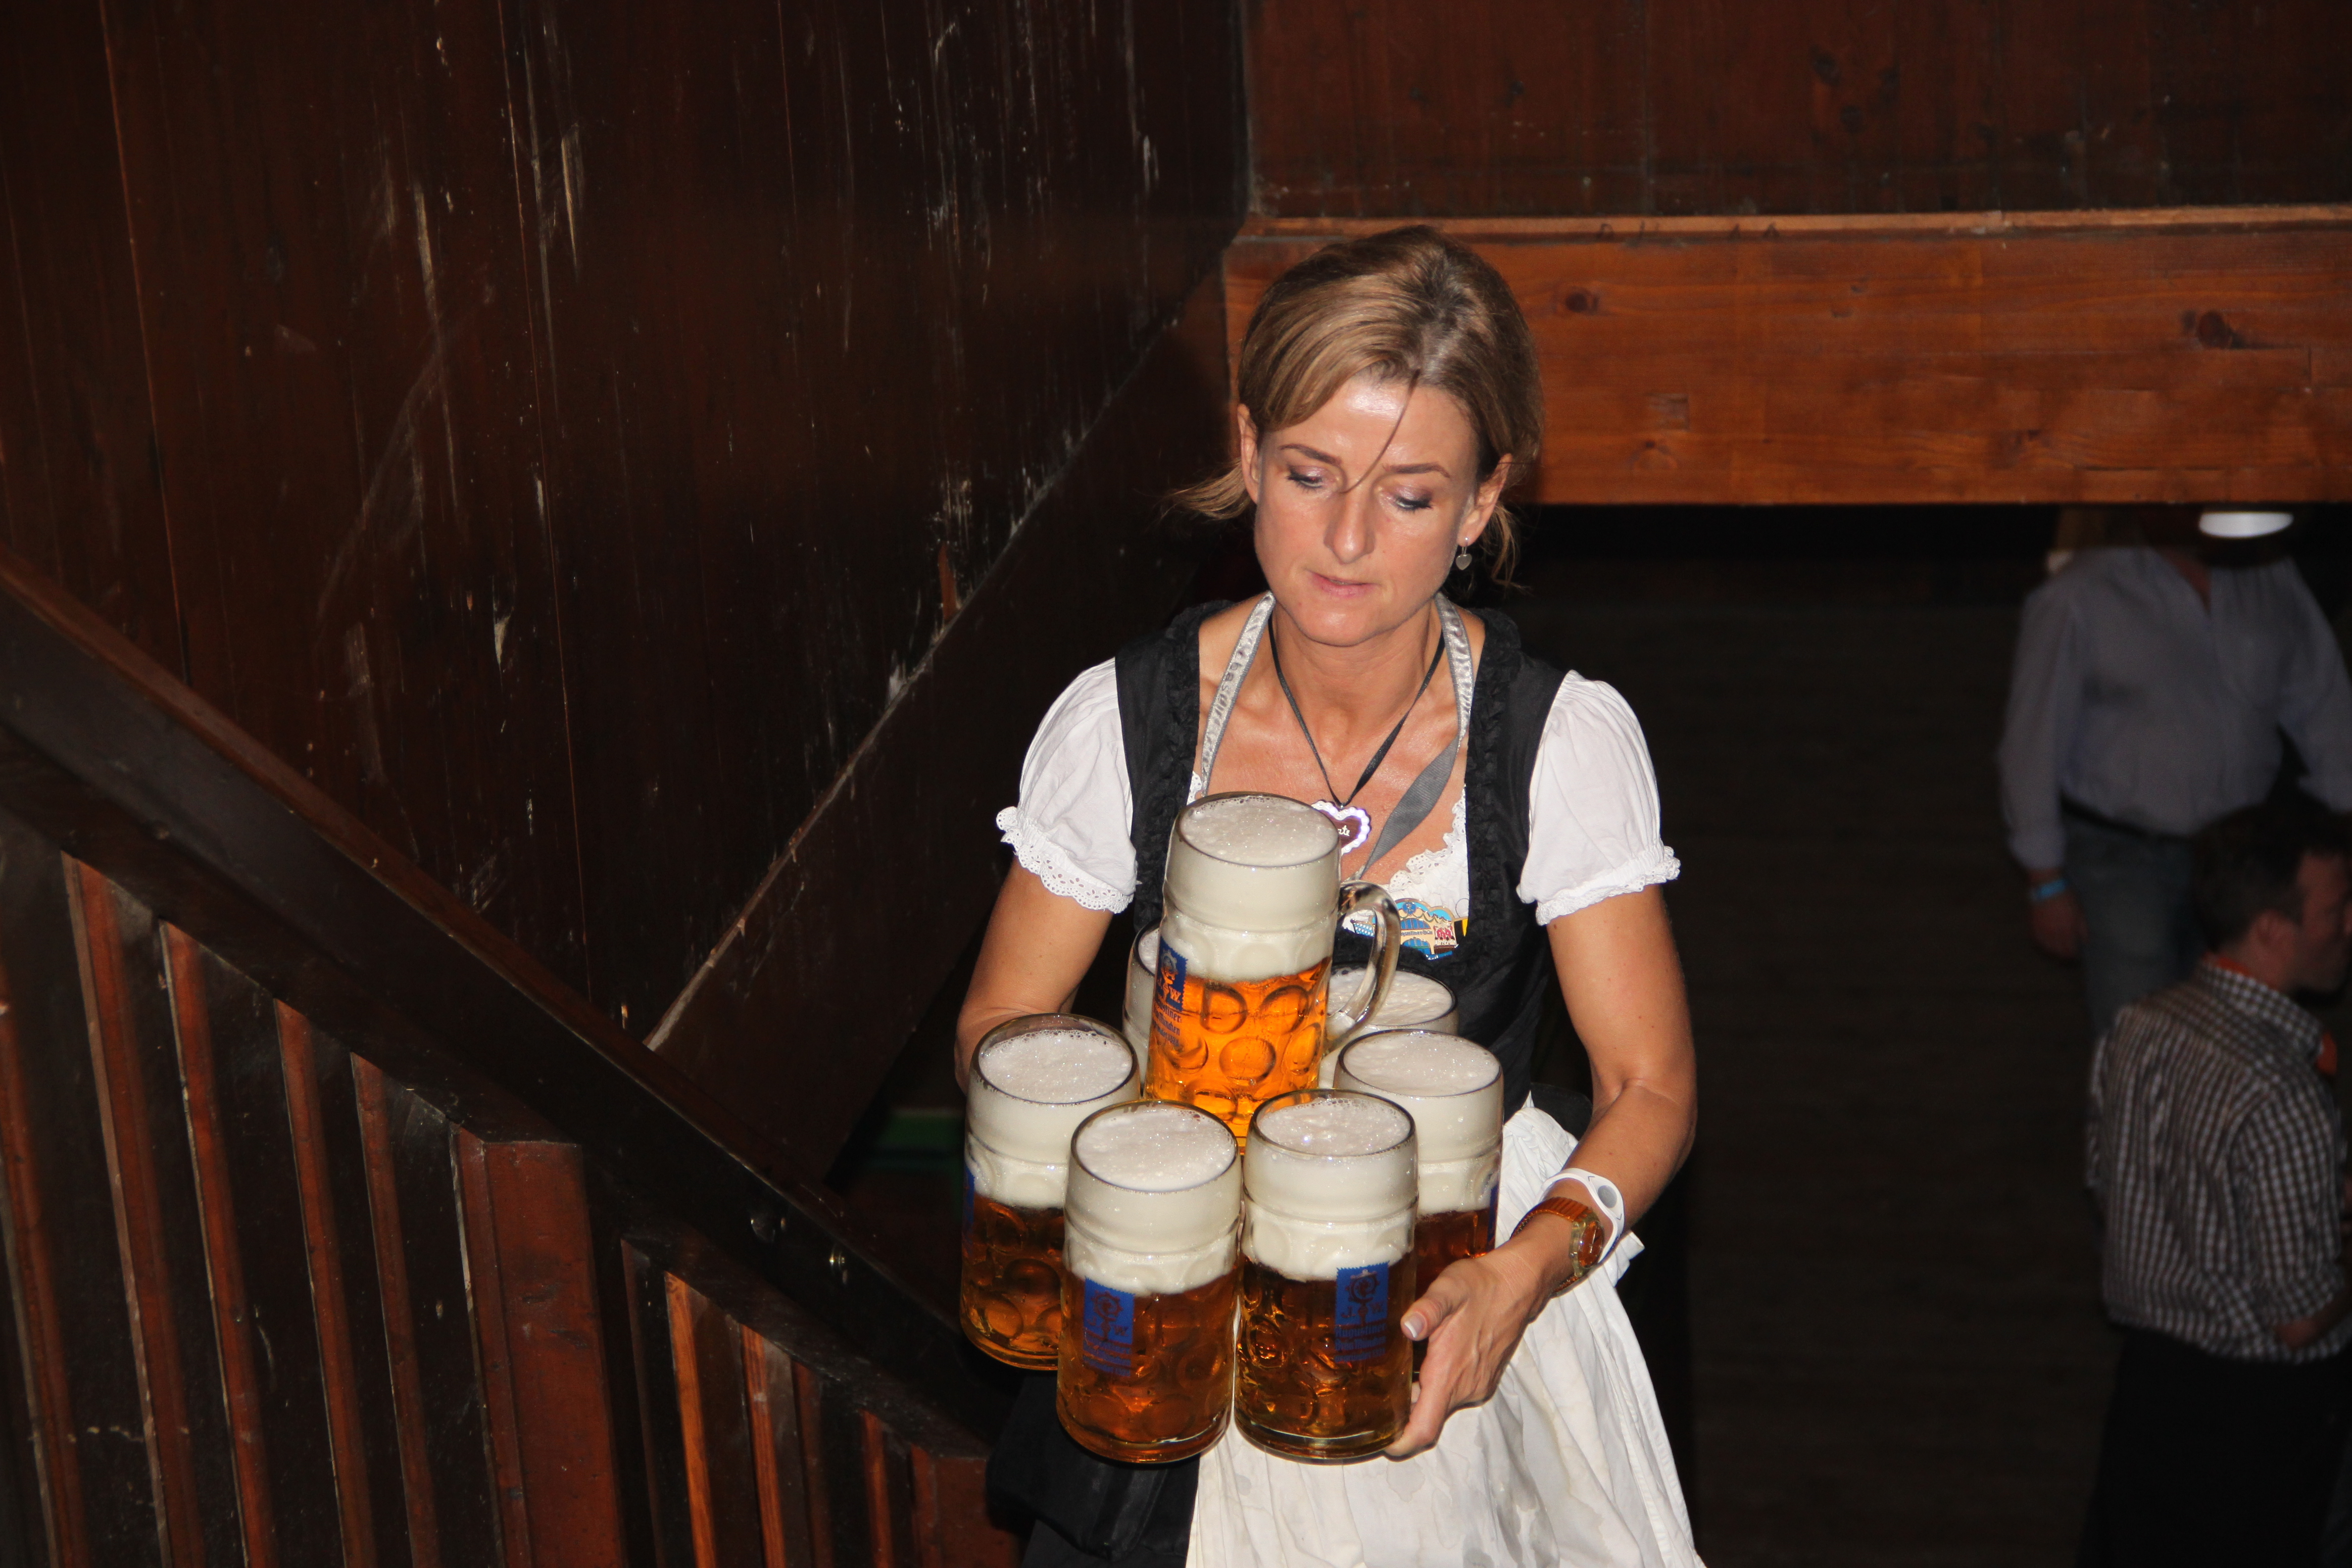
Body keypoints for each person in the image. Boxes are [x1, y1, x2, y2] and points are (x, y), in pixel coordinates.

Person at [958, 226, 1700, 1566]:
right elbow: (999, 1024)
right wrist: (1134, 1179)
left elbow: (1647, 1087)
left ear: (1481, 502)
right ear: (1248, 452)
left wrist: (1523, 1271)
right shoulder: (1125, 717)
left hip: (1436, 1316)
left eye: (1410, 496)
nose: (1347, 539)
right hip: (1167, 1320)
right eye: (1309, 475)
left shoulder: (1556, 741)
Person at [2080, 799, 2352, 1565]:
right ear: (2273, 929)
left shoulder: (2138, 1027)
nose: (2350, 927)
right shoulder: (2282, 1089)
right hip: (2258, 1426)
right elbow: (2298, 1319)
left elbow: (2115, 1185)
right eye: (2336, 911)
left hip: (2149, 1392)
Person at [1997, 505, 2352, 1041]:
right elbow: (2032, 738)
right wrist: (2045, 881)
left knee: (2232, 1035)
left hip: (2237, 856)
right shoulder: (2080, 595)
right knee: (2141, 1035)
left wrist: (2345, 818)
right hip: (2122, 859)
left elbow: (2322, 704)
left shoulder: (2269, 577)